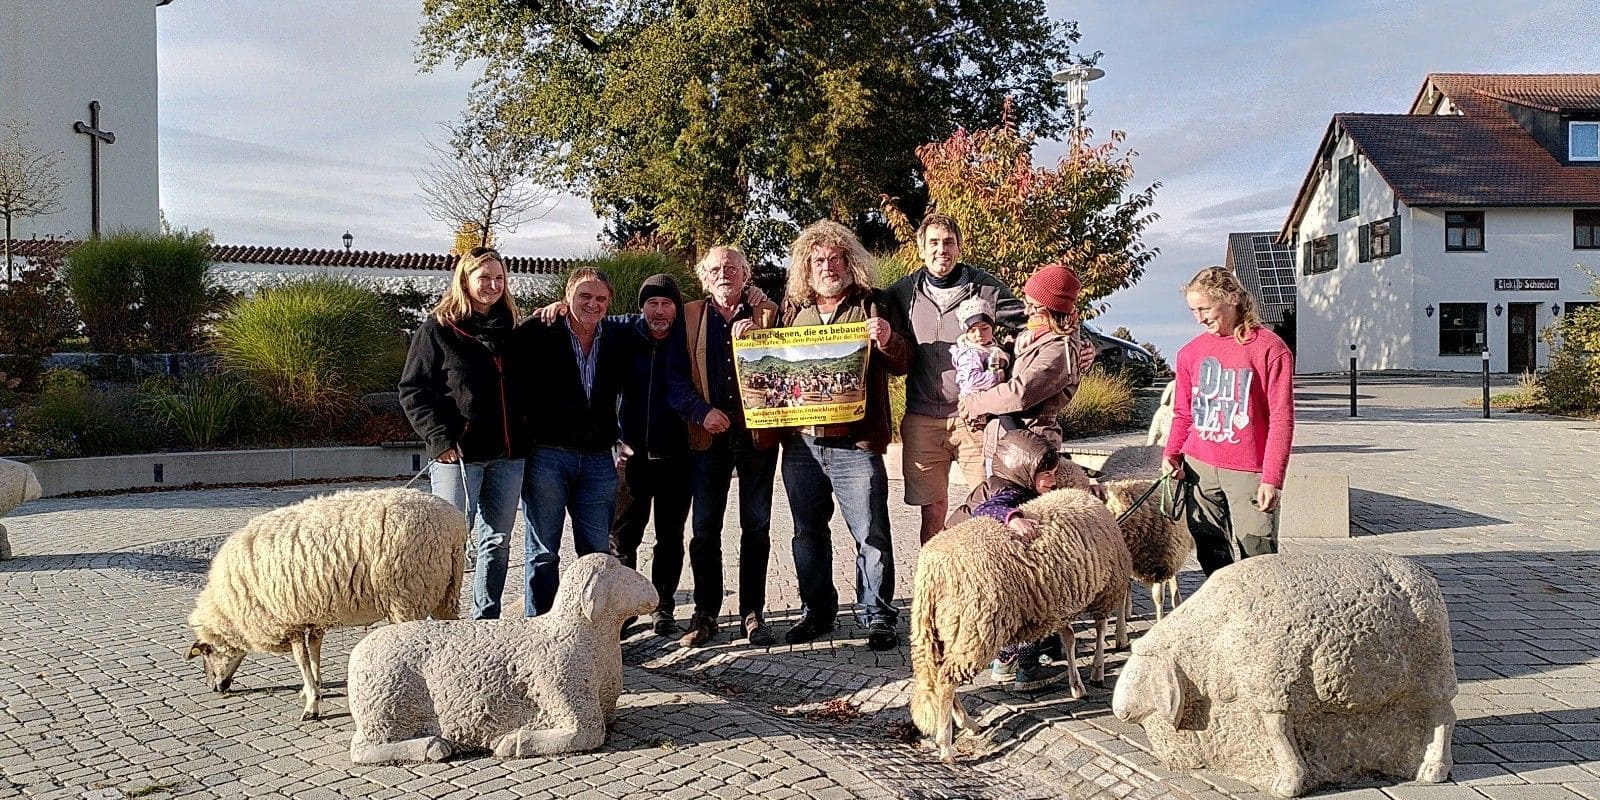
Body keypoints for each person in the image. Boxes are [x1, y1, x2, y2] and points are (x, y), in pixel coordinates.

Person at [775, 220, 912, 650]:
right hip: (802, 443)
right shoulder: (791, 310)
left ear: (849, 261)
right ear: (806, 266)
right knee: (806, 532)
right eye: (818, 260)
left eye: (836, 258)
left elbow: (904, 361)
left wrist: (888, 339)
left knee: (871, 532)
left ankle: (877, 615)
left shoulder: (874, 304)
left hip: (856, 442)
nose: (828, 266)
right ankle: (816, 612)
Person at [398, 246, 526, 620]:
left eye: (499, 278)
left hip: (508, 456)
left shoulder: (512, 332)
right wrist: (438, 438)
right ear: (465, 281)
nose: (492, 285)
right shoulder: (437, 331)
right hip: (459, 456)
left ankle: (485, 619)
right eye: (484, 277)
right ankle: (440, 618)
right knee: (449, 544)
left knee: (497, 542)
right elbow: (412, 390)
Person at [884, 214, 1026, 543]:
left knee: (987, 504)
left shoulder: (984, 287)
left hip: (974, 418)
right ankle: (936, 585)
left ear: (959, 247)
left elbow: (1028, 321)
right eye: (933, 242)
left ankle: (983, 583)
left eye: (948, 242)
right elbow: (868, 308)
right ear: (921, 248)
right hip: (922, 419)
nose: (941, 250)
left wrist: (1007, 358)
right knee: (932, 511)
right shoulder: (905, 292)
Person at [1162, 266, 1295, 576]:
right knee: (1210, 553)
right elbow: (1183, 413)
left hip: (1249, 472)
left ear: (1232, 299)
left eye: (1205, 309)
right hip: (1199, 469)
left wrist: (1272, 479)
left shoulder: (1270, 349)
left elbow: (1282, 419)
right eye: (1193, 310)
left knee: (1257, 556)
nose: (1199, 318)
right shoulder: (1189, 354)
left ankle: (1264, 620)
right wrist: (1171, 454)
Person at [679, 247, 781, 648]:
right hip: (708, 434)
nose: (725, 274)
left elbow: (789, 357)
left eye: (733, 268)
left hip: (755, 436)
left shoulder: (766, 312)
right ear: (704, 276)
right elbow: (674, 375)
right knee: (705, 529)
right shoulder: (689, 315)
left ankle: (752, 613)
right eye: (717, 269)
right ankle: (705, 613)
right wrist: (701, 411)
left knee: (756, 527)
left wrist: (763, 329)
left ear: (746, 275)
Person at [515, 267, 632, 617]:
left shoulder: (615, 337)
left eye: (600, 298)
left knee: (596, 552)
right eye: (584, 296)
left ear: (609, 304)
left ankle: (591, 630)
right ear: (567, 297)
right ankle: (540, 630)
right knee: (543, 550)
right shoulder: (540, 331)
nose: (592, 304)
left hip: (597, 460)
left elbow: (656, 318)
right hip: (548, 456)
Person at [612, 274, 716, 635]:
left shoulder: (685, 339)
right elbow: (584, 317)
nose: (659, 310)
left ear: (676, 308)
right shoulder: (624, 332)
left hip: (676, 458)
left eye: (666, 303)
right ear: (642, 307)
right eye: (652, 303)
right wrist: (559, 308)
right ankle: (624, 611)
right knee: (624, 540)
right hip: (631, 458)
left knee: (669, 539)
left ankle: (663, 606)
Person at [957, 262, 1098, 490]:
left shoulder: (1059, 350)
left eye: (1035, 306)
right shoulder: (1029, 336)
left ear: (1054, 309)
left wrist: (974, 403)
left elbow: (1019, 394)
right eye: (1027, 302)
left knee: (1022, 520)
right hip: (1004, 446)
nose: (1026, 311)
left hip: (1031, 454)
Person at [959, 428, 1068, 691]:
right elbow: (986, 509)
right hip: (972, 559)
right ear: (1025, 471)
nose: (1053, 481)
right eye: (1047, 475)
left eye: (1055, 474)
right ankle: (1027, 668)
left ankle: (1005, 660)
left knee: (1010, 606)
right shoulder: (1008, 491)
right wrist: (1012, 517)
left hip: (980, 558)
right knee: (1030, 603)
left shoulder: (1013, 481)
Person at [950, 296, 1010, 428]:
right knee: (1009, 423)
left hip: (989, 399)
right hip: (975, 402)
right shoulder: (969, 353)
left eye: (984, 328)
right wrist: (998, 376)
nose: (979, 334)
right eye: (972, 330)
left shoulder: (990, 348)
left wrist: (1003, 362)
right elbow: (972, 380)